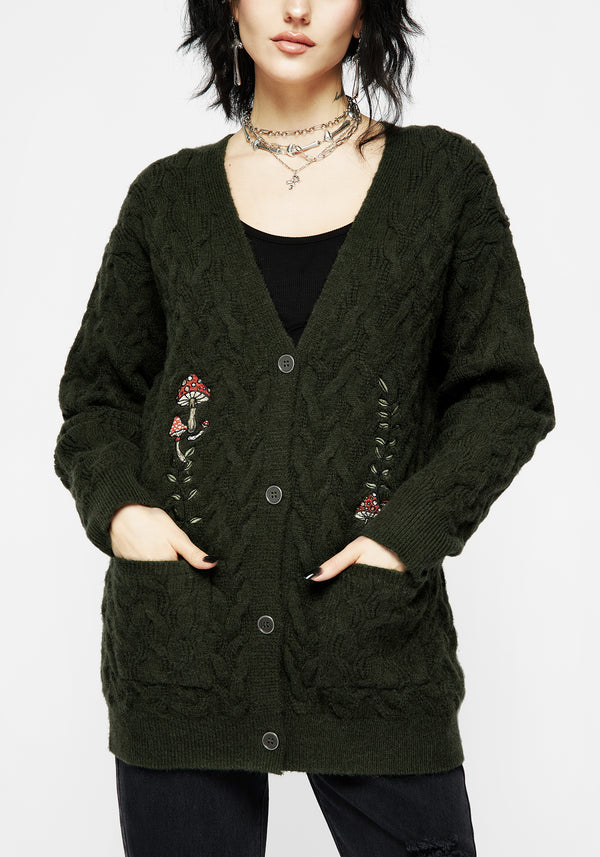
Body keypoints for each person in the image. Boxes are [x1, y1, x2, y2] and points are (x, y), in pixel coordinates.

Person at [53, 1, 556, 855]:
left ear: (366, 17)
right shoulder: (167, 199)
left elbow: (505, 394)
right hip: (182, 646)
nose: (296, 9)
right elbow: (98, 393)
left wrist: (404, 536)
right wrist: (125, 513)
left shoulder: (442, 181)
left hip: (372, 645)